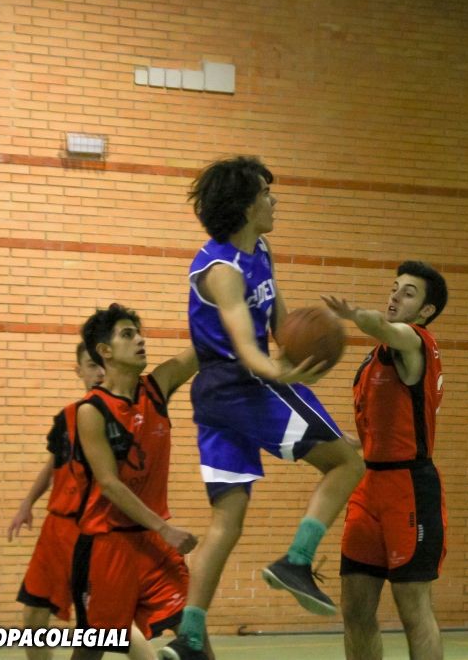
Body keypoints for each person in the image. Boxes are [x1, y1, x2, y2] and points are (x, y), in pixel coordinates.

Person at [160, 156, 364, 660]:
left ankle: (189, 636)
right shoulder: (221, 270)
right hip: (240, 384)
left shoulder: (261, 250)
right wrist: (279, 371)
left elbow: (280, 324)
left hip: (220, 397)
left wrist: (299, 353)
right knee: (347, 463)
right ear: (247, 206)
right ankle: (296, 560)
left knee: (226, 522)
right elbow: (246, 346)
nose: (274, 202)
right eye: (266, 195)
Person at [322, 261, 448, 660]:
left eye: (408, 293)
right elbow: (381, 425)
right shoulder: (374, 359)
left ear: (426, 310)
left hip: (408, 487)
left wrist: (355, 315)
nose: (395, 296)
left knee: (413, 611)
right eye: (395, 287)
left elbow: (381, 326)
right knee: (355, 609)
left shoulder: (415, 340)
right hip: (369, 486)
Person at [69, 304, 209, 660]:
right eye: (128, 334)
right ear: (105, 350)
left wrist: (235, 303)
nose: (141, 340)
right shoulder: (92, 410)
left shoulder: (157, 387)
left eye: (139, 333)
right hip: (107, 546)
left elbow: (203, 346)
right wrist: (165, 528)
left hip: (153, 546)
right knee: (91, 650)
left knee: (194, 635)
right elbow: (109, 484)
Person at [8, 342, 156, 660]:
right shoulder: (68, 417)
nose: (99, 372)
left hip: (96, 531)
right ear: (79, 371)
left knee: (107, 624)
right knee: (33, 612)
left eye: (103, 364)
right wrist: (26, 504)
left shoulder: (125, 417)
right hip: (57, 531)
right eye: (91, 365)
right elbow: (53, 465)